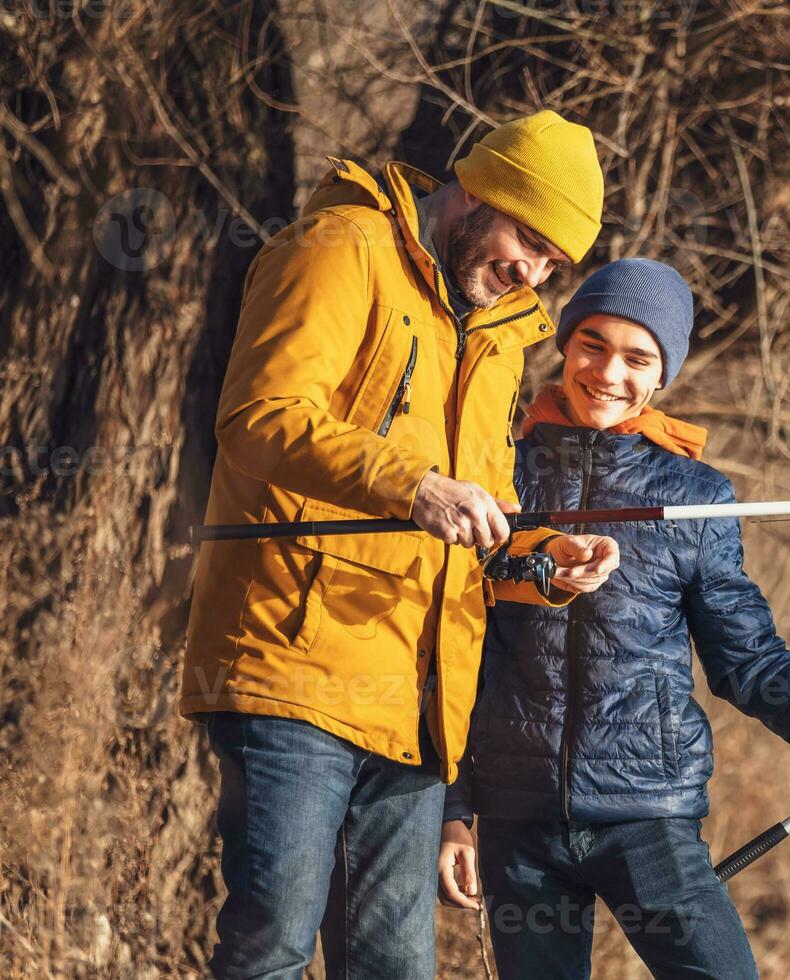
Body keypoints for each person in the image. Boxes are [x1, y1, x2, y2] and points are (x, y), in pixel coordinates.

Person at [180, 110, 621, 979]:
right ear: (478, 191)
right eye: (526, 239)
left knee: (393, 968)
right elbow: (259, 419)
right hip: (292, 662)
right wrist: (409, 484)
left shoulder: (504, 336)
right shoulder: (342, 247)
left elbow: (480, 519)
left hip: (418, 699)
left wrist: (544, 563)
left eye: (551, 263)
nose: (529, 271)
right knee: (271, 946)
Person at [437, 258, 790, 978]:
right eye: (592, 344)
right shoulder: (497, 472)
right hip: (515, 822)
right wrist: (452, 808)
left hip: (648, 816)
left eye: (636, 357)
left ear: (660, 377)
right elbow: (451, 653)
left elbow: (751, 667)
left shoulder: (697, 495)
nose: (608, 371)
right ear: (566, 346)